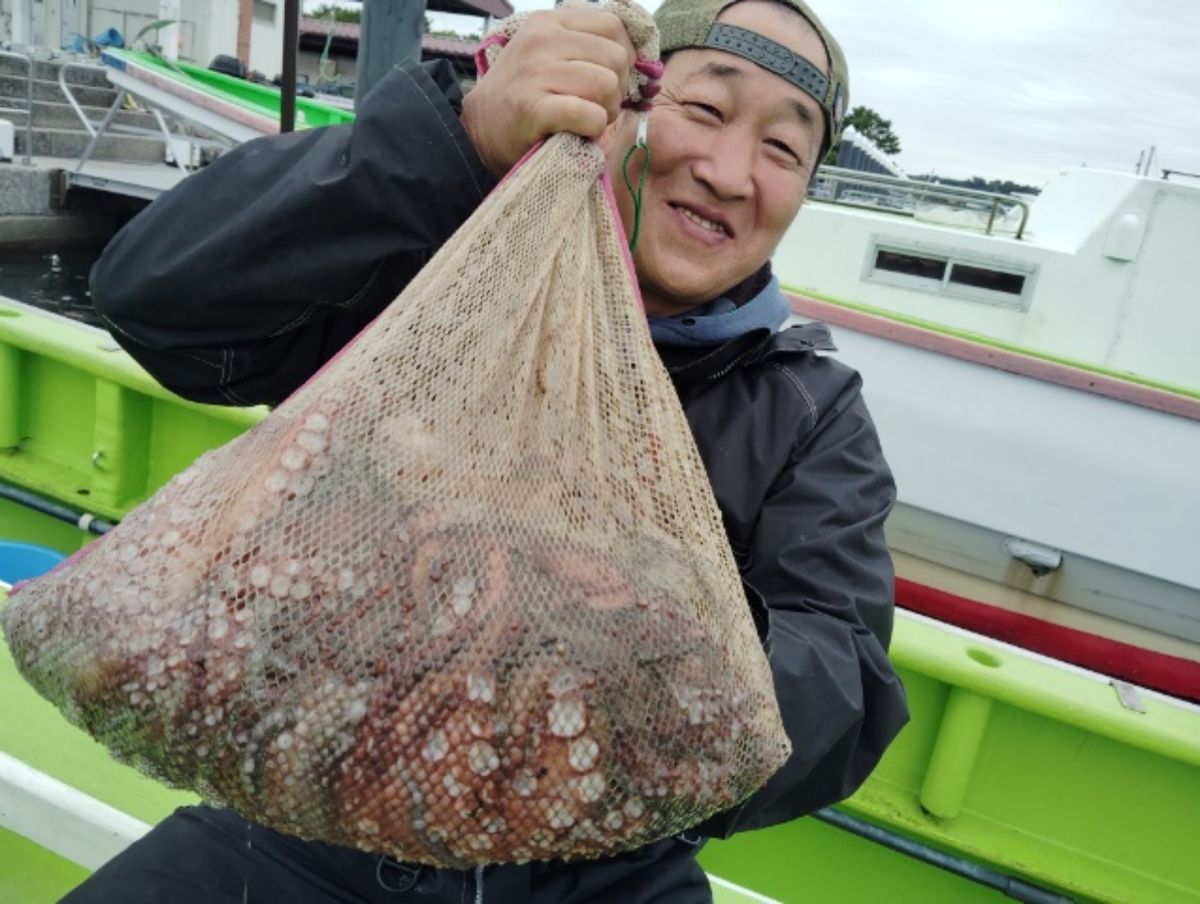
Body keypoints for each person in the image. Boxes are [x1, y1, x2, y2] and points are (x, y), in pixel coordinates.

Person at [76, 0, 909, 900]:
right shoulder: (441, 269)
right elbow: (154, 300)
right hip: (303, 815)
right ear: (623, 103)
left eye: (783, 149)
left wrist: (622, 624)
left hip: (594, 873)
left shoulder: (809, 410)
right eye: (704, 108)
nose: (729, 171)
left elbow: (845, 684)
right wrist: (455, 142)